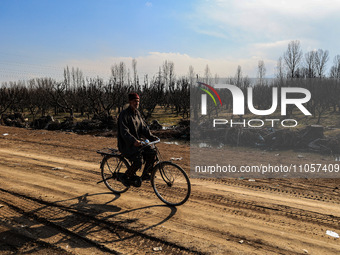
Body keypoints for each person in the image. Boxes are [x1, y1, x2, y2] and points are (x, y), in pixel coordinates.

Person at [117, 92, 158, 187]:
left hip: (138, 143)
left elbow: (144, 128)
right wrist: (133, 141)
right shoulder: (124, 114)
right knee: (138, 161)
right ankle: (125, 177)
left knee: (152, 153)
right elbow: (124, 132)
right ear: (130, 101)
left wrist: (152, 137)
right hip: (127, 145)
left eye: (138, 101)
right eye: (135, 101)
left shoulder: (137, 113)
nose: (137, 103)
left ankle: (145, 174)